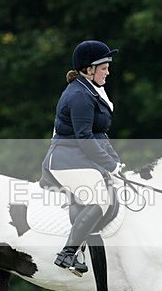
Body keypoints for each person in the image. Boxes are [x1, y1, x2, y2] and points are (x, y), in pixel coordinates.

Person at [41, 40, 123, 275]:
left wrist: (115, 162)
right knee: (100, 200)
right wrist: (109, 165)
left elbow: (99, 133)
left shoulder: (90, 90)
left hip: (79, 157)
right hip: (65, 160)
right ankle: (68, 253)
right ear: (89, 69)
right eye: (104, 67)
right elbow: (85, 137)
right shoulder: (80, 96)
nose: (108, 71)